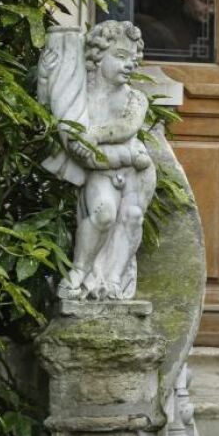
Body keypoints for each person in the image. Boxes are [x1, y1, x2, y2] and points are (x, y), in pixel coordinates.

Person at [37, 21, 157, 300]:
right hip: (106, 169)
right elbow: (51, 113)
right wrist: (45, 78)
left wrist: (94, 134)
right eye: (120, 56)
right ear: (97, 56)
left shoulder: (136, 99)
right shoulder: (80, 98)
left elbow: (127, 126)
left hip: (136, 173)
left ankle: (113, 279)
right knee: (103, 214)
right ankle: (80, 270)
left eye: (133, 59)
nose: (129, 65)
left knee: (132, 217)